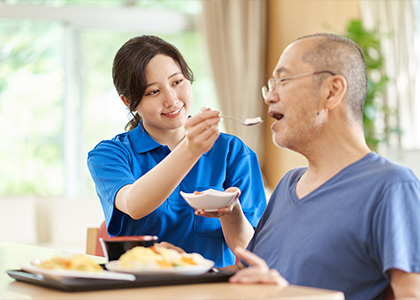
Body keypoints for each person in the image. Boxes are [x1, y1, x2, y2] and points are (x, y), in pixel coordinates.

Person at [227, 33, 420, 300]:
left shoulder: (392, 186)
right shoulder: (287, 185)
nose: (270, 96)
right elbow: (252, 276)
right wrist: (177, 266)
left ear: (332, 91)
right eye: (270, 84)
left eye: (283, 80)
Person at [87, 35, 266, 268]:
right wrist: (191, 148)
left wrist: (231, 214)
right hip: (139, 289)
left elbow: (254, 254)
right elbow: (134, 204)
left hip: (212, 290)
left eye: (177, 82)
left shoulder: (233, 152)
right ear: (128, 100)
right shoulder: (110, 155)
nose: (172, 100)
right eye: (153, 92)